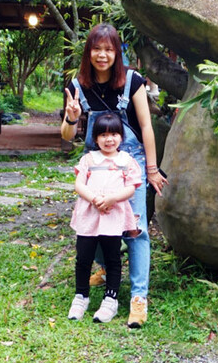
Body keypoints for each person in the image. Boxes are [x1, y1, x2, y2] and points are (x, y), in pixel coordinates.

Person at [61, 22, 168, 328]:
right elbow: (67, 136)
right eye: (97, 48)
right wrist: (72, 117)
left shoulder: (132, 80)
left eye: (109, 49)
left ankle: (138, 298)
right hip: (94, 167)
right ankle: (108, 267)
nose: (102, 55)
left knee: (136, 231)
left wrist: (150, 168)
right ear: (88, 52)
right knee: (89, 227)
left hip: (130, 164)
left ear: (117, 52)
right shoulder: (78, 85)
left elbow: (146, 126)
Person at [67, 112, 142, 323]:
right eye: (103, 135)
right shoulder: (89, 159)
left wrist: (111, 199)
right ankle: (81, 296)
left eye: (114, 134)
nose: (109, 139)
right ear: (95, 137)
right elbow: (79, 184)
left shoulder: (126, 160)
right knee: (83, 258)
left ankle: (111, 300)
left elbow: (130, 188)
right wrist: (94, 199)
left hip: (113, 215)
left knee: (112, 259)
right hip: (89, 214)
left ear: (121, 136)